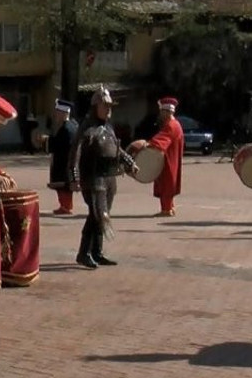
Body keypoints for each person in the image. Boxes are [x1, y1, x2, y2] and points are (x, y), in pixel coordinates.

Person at [71, 87, 137, 269]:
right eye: (105, 106)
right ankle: (84, 253)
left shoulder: (108, 128)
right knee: (96, 215)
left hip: (109, 178)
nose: (108, 109)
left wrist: (129, 162)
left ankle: (97, 252)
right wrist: (74, 177)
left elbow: (117, 149)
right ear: (95, 106)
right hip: (94, 177)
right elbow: (75, 153)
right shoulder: (87, 128)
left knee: (102, 216)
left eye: (110, 106)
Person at [143, 97, 184, 217]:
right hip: (170, 158)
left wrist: (147, 144)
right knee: (168, 183)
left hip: (168, 159)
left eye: (161, 111)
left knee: (167, 183)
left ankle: (166, 210)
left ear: (166, 112)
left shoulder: (171, 125)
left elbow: (161, 140)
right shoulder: (175, 124)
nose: (160, 114)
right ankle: (170, 207)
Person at [47, 99, 78, 215]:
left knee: (63, 184)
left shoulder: (66, 128)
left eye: (58, 112)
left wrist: (48, 140)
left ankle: (65, 206)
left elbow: (60, 145)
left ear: (63, 113)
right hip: (69, 160)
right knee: (66, 185)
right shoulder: (74, 125)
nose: (56, 115)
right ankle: (66, 205)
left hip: (63, 161)